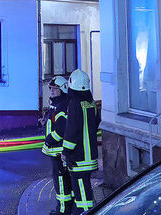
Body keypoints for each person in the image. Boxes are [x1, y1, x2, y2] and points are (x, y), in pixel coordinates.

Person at [63, 69, 100, 214]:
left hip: (79, 157)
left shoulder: (74, 103)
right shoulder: (91, 103)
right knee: (84, 188)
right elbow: (95, 124)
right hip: (90, 155)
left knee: (82, 193)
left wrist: (66, 152)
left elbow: (72, 131)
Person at [42, 75, 73, 214]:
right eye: (51, 89)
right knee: (64, 181)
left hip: (58, 151)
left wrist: (49, 139)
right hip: (57, 151)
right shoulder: (58, 104)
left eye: (56, 89)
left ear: (63, 89)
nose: (52, 91)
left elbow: (60, 131)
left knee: (61, 182)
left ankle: (63, 211)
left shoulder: (61, 106)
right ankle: (66, 209)